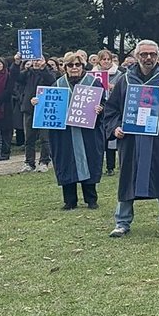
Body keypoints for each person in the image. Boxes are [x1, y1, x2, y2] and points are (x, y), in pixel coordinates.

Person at [102, 40, 159, 237]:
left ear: (158, 56)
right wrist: (115, 128)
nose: (148, 58)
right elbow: (111, 109)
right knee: (127, 178)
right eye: (143, 54)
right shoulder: (125, 80)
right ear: (136, 56)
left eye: (152, 54)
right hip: (131, 140)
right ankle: (122, 222)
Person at [38, 53, 104, 209]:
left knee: (89, 160)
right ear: (65, 67)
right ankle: (70, 200)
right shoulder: (57, 85)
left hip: (87, 132)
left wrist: (100, 109)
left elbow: (106, 104)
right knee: (66, 162)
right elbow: (47, 107)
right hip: (64, 134)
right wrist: (38, 102)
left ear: (82, 66)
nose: (74, 68)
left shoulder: (94, 83)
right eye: (70, 65)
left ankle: (91, 199)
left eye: (77, 65)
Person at [19, 57, 56, 172]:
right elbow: (15, 78)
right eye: (34, 60)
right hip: (29, 108)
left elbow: (52, 81)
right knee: (29, 138)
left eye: (38, 60)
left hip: (44, 109)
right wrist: (16, 63)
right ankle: (29, 162)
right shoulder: (26, 73)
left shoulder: (48, 72)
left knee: (45, 138)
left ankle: (44, 161)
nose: (36, 62)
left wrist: (43, 68)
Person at [94, 49, 124, 174]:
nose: (106, 62)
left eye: (108, 59)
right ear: (99, 61)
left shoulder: (119, 74)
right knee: (98, 139)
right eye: (103, 59)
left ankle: (110, 167)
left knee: (110, 138)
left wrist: (113, 87)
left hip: (112, 107)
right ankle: (97, 166)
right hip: (97, 108)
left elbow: (122, 89)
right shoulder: (92, 74)